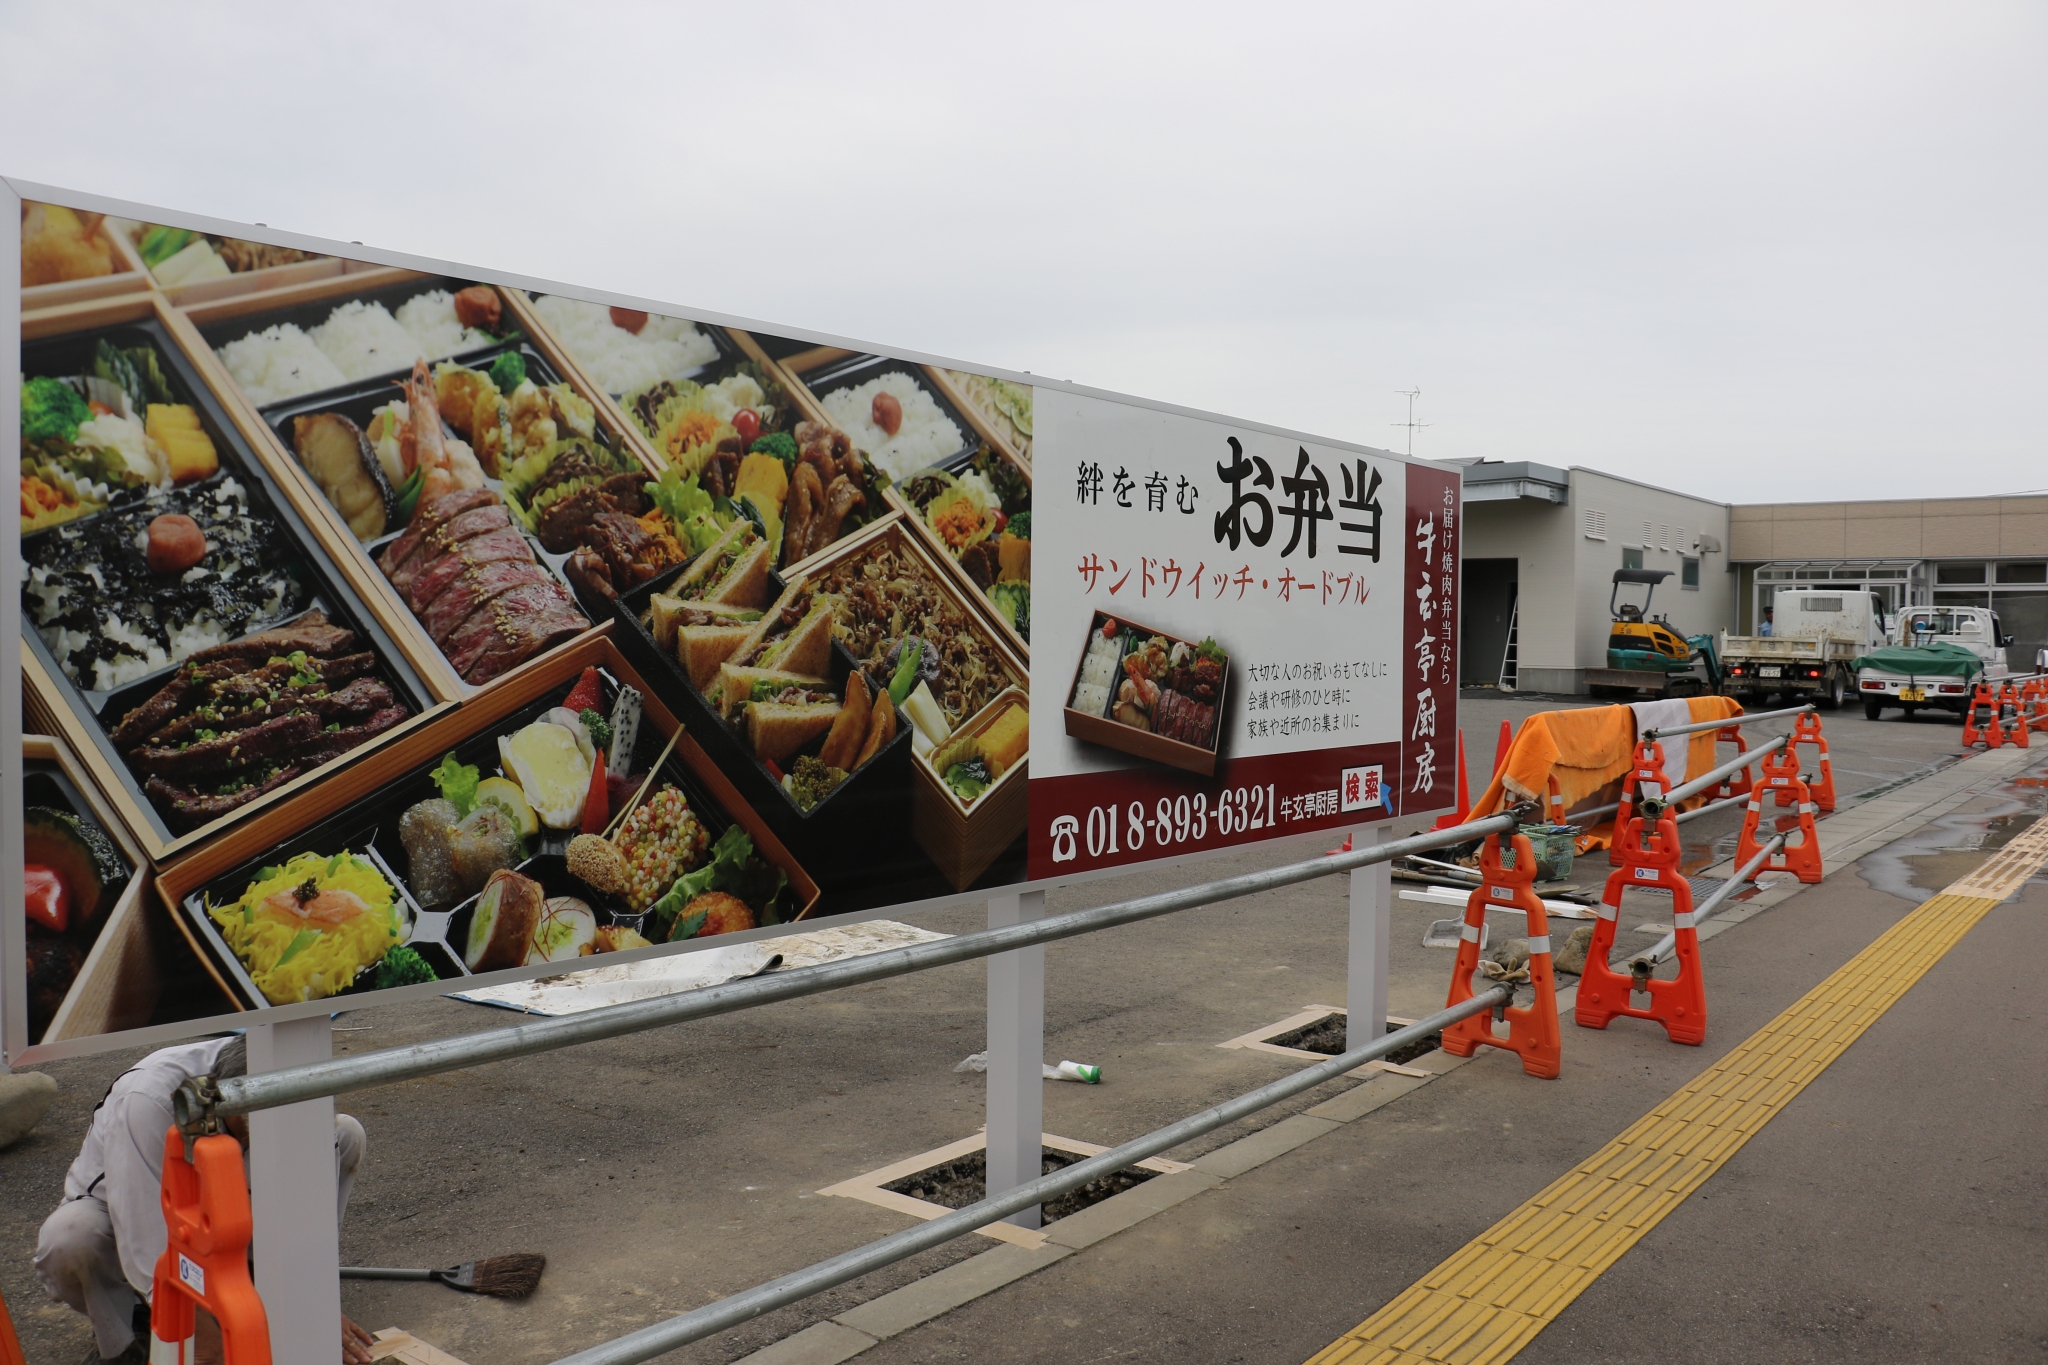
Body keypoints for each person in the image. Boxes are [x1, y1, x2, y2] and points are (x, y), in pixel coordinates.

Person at [33, 1035, 375, 1365]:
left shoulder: (288, 1078)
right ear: (238, 1105)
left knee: (346, 1134)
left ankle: (261, 1287)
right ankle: (128, 1338)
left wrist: (311, 1300)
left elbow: (303, 1200)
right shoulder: (151, 1100)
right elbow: (145, 1236)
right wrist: (205, 1346)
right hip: (126, 1218)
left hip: (213, 1210)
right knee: (71, 1237)